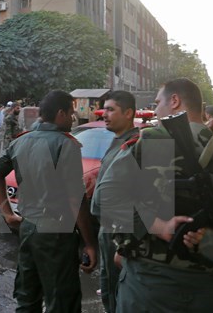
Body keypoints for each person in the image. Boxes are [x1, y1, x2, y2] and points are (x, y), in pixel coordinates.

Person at [114, 78, 213, 312]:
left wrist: (156, 225)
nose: (155, 109)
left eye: (158, 102)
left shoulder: (147, 142)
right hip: (209, 285)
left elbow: (103, 201)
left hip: (149, 284)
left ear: (175, 101)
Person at [0, 90, 97, 312]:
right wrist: (89, 243)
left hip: (28, 229)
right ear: (60, 114)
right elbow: (76, 199)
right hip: (56, 234)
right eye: (71, 113)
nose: (73, 118)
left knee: (27, 297)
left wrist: (7, 212)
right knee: (62, 300)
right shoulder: (66, 145)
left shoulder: (21, 142)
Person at [90, 90, 139, 313]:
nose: (105, 114)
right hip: (108, 230)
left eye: (111, 109)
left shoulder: (136, 145)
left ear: (128, 113)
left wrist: (124, 242)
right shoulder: (118, 141)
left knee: (120, 291)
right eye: (104, 109)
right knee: (108, 285)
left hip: (120, 232)